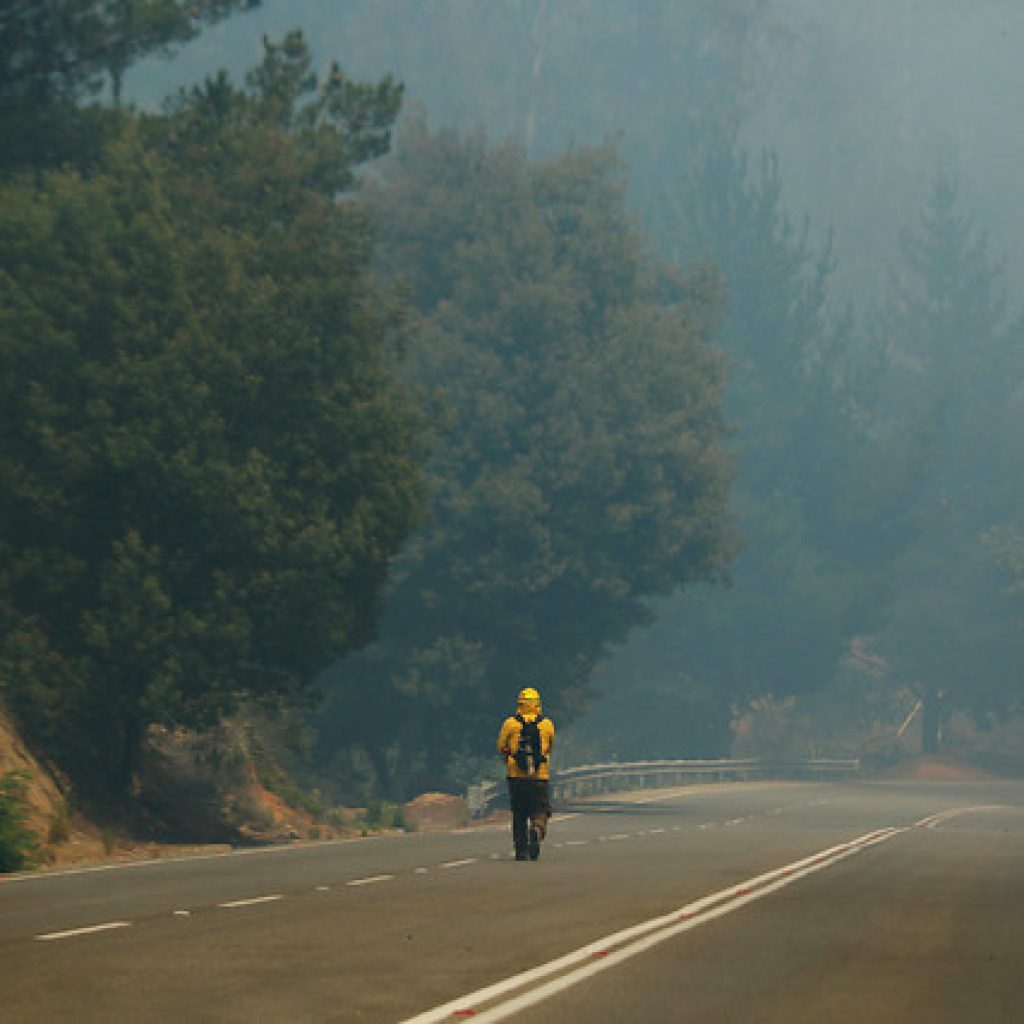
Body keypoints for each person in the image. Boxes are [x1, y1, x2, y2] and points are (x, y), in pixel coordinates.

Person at [497, 686, 555, 861]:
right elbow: (550, 748)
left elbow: (501, 746)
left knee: (519, 814)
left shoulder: (510, 724)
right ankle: (537, 830)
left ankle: (521, 850)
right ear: (538, 705)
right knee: (540, 810)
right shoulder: (546, 724)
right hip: (539, 777)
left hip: (516, 777)